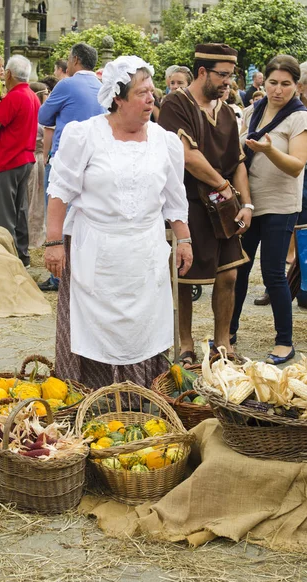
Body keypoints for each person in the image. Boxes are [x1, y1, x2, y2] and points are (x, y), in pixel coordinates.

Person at [45, 55, 192, 389]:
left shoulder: (165, 141)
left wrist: (183, 240)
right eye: (142, 92)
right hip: (93, 251)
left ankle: (142, 398)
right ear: (118, 98)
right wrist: (54, 243)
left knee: (142, 326)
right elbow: (59, 191)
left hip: (144, 251)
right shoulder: (83, 136)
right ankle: (89, 397)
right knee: (93, 326)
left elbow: (174, 196)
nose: (151, 98)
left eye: (152, 91)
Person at [158, 43, 253, 367]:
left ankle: (222, 345)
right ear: (202, 72)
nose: (228, 82)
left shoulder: (227, 111)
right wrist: (223, 186)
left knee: (229, 275)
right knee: (185, 278)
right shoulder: (175, 104)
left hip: (224, 204)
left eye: (231, 75)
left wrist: (247, 204)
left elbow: (238, 162)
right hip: (187, 202)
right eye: (222, 75)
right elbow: (186, 156)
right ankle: (186, 345)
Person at [231, 55, 307, 364]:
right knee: (239, 270)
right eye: (273, 82)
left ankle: (284, 342)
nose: (278, 90)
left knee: (273, 273)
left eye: (286, 84)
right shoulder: (253, 110)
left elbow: (296, 165)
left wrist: (269, 149)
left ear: (296, 85)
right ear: (264, 80)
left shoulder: (299, 117)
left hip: (280, 205)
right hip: (248, 203)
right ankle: (228, 334)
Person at [38, 42, 105, 292]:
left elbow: (43, 117)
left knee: (58, 216)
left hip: (64, 160)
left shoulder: (67, 83)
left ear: (75, 59)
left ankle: (58, 275)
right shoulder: (100, 86)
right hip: (95, 161)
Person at [0, 55, 40, 269]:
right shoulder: (32, 95)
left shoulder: (14, 97)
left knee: (2, 214)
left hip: (8, 160)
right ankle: (22, 257)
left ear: (9, 74)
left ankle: (5, 261)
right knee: (19, 210)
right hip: (25, 159)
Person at [27, 82, 50, 247]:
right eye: (45, 93)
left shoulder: (42, 114)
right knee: (34, 201)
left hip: (38, 159)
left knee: (39, 201)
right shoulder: (38, 116)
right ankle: (33, 239)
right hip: (36, 160)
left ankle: (38, 237)